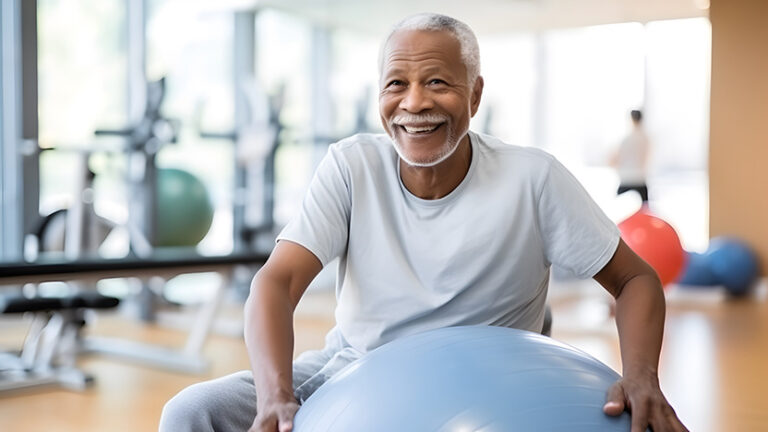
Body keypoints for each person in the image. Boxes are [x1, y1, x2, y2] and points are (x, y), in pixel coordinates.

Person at [160, 13, 687, 432]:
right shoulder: (351, 166)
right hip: (359, 369)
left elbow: (635, 278)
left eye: (437, 81)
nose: (415, 103)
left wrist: (640, 375)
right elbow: (277, 282)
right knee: (193, 413)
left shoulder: (534, 177)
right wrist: (276, 397)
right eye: (397, 83)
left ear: (475, 95)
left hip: (495, 382)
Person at [611, 109, 651, 203]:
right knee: (642, 213)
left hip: (626, 180)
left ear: (631, 120)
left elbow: (613, 159)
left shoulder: (625, 139)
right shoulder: (646, 139)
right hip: (640, 180)